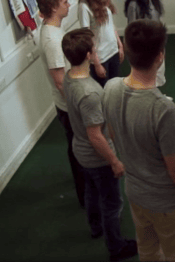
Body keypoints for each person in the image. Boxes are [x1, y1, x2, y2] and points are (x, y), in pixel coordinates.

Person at [102, 19, 175, 261]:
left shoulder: (110, 88)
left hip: (136, 194)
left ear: (128, 51)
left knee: (149, 252)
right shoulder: (163, 109)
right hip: (168, 204)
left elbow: (111, 133)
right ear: (160, 56)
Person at [61, 28, 137, 262]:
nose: (96, 51)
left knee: (92, 193)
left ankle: (95, 227)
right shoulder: (90, 93)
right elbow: (95, 135)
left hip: (80, 152)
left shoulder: (68, 77)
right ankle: (116, 246)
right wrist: (114, 161)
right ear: (88, 55)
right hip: (97, 158)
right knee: (112, 203)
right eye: (93, 49)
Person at [35, 0, 86, 208]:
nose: (68, 5)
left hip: (68, 106)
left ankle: (83, 186)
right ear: (55, 7)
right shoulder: (52, 40)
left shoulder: (53, 30)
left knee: (76, 147)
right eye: (65, 2)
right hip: (69, 108)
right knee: (78, 149)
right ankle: (85, 194)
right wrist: (78, 108)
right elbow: (59, 81)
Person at [79, 0, 124, 88]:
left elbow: (110, 25)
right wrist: (97, 63)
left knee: (115, 88)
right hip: (101, 57)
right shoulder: (84, 6)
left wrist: (119, 45)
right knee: (105, 92)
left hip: (113, 51)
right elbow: (86, 37)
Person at [125, 0, 167, 88]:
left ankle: (157, 94)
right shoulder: (133, 4)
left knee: (159, 71)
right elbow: (131, 28)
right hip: (144, 45)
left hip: (157, 41)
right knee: (147, 74)